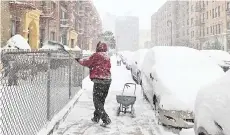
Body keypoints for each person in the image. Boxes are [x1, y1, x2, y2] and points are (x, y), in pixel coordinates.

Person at [76, 42, 112, 127]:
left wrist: (79, 60)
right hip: (107, 81)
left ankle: (106, 119)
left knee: (97, 101)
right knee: (101, 100)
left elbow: (87, 62)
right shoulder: (107, 56)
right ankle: (96, 117)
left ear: (98, 48)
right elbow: (103, 66)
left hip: (99, 81)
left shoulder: (96, 55)